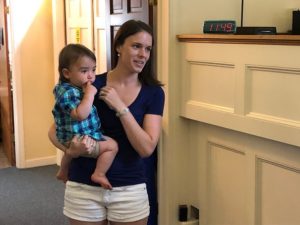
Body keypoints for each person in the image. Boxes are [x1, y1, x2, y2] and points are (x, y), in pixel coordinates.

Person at [48, 19, 165, 225]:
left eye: (147, 49)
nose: (143, 54)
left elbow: (146, 148)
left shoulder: (153, 93)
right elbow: (54, 131)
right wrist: (71, 150)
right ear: (119, 46)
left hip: (129, 188)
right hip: (84, 186)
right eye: (136, 46)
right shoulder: (90, 84)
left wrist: (120, 107)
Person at [52, 43, 118, 189]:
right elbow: (80, 114)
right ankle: (99, 173)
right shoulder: (69, 92)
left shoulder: (71, 88)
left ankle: (63, 171)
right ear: (67, 73)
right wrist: (90, 94)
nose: (91, 75)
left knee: (71, 152)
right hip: (80, 138)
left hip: (77, 135)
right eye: (84, 71)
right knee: (112, 146)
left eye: (93, 70)